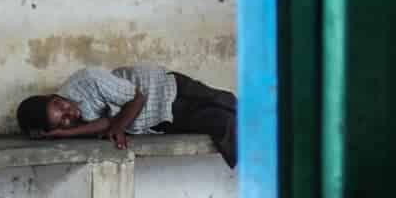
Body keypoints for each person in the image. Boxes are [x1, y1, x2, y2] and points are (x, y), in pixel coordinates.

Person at [16, 60, 237, 169]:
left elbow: (138, 98)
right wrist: (65, 134)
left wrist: (118, 128)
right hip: (161, 118)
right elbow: (105, 123)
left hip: (167, 89)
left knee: (227, 104)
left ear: (53, 96)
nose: (69, 112)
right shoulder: (74, 122)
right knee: (222, 122)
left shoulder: (88, 79)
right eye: (63, 121)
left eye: (61, 105)